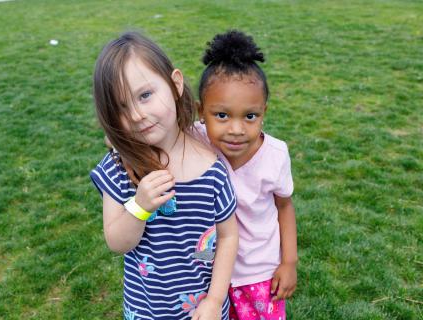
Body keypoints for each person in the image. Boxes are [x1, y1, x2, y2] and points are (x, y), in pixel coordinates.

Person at [90, 31, 239, 320]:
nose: (136, 116)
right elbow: (117, 243)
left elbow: (228, 236)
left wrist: (215, 300)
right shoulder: (120, 168)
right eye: (121, 107)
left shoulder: (212, 168)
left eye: (145, 95)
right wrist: (139, 208)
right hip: (147, 311)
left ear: (175, 84)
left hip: (203, 309)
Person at [195, 30, 298, 320]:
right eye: (222, 116)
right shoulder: (196, 139)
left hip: (259, 274)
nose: (237, 129)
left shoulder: (276, 155)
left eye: (249, 116)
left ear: (263, 112)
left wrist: (289, 261)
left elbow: (284, 206)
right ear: (201, 112)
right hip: (208, 272)